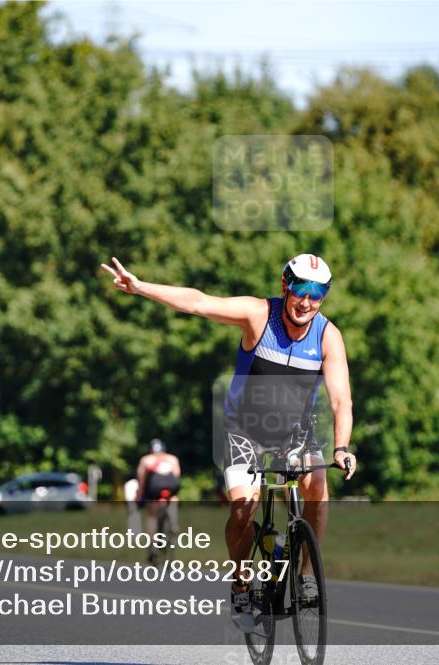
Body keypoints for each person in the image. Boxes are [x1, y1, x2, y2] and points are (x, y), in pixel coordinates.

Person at [101, 254, 357, 632]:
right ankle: (240, 583)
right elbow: (200, 302)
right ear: (286, 287)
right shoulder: (258, 315)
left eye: (318, 294)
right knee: (243, 507)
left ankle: (304, 575)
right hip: (246, 430)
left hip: (294, 433)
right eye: (301, 290)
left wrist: (341, 447)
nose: (307, 301)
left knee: (317, 488)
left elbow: (341, 400)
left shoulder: (326, 335)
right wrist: (140, 287)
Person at [135, 438, 182, 564]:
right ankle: (173, 528)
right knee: (173, 509)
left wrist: (140, 495)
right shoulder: (172, 459)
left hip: (154, 495)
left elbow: (142, 480)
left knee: (151, 518)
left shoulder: (145, 460)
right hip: (170, 496)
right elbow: (177, 477)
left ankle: (152, 548)